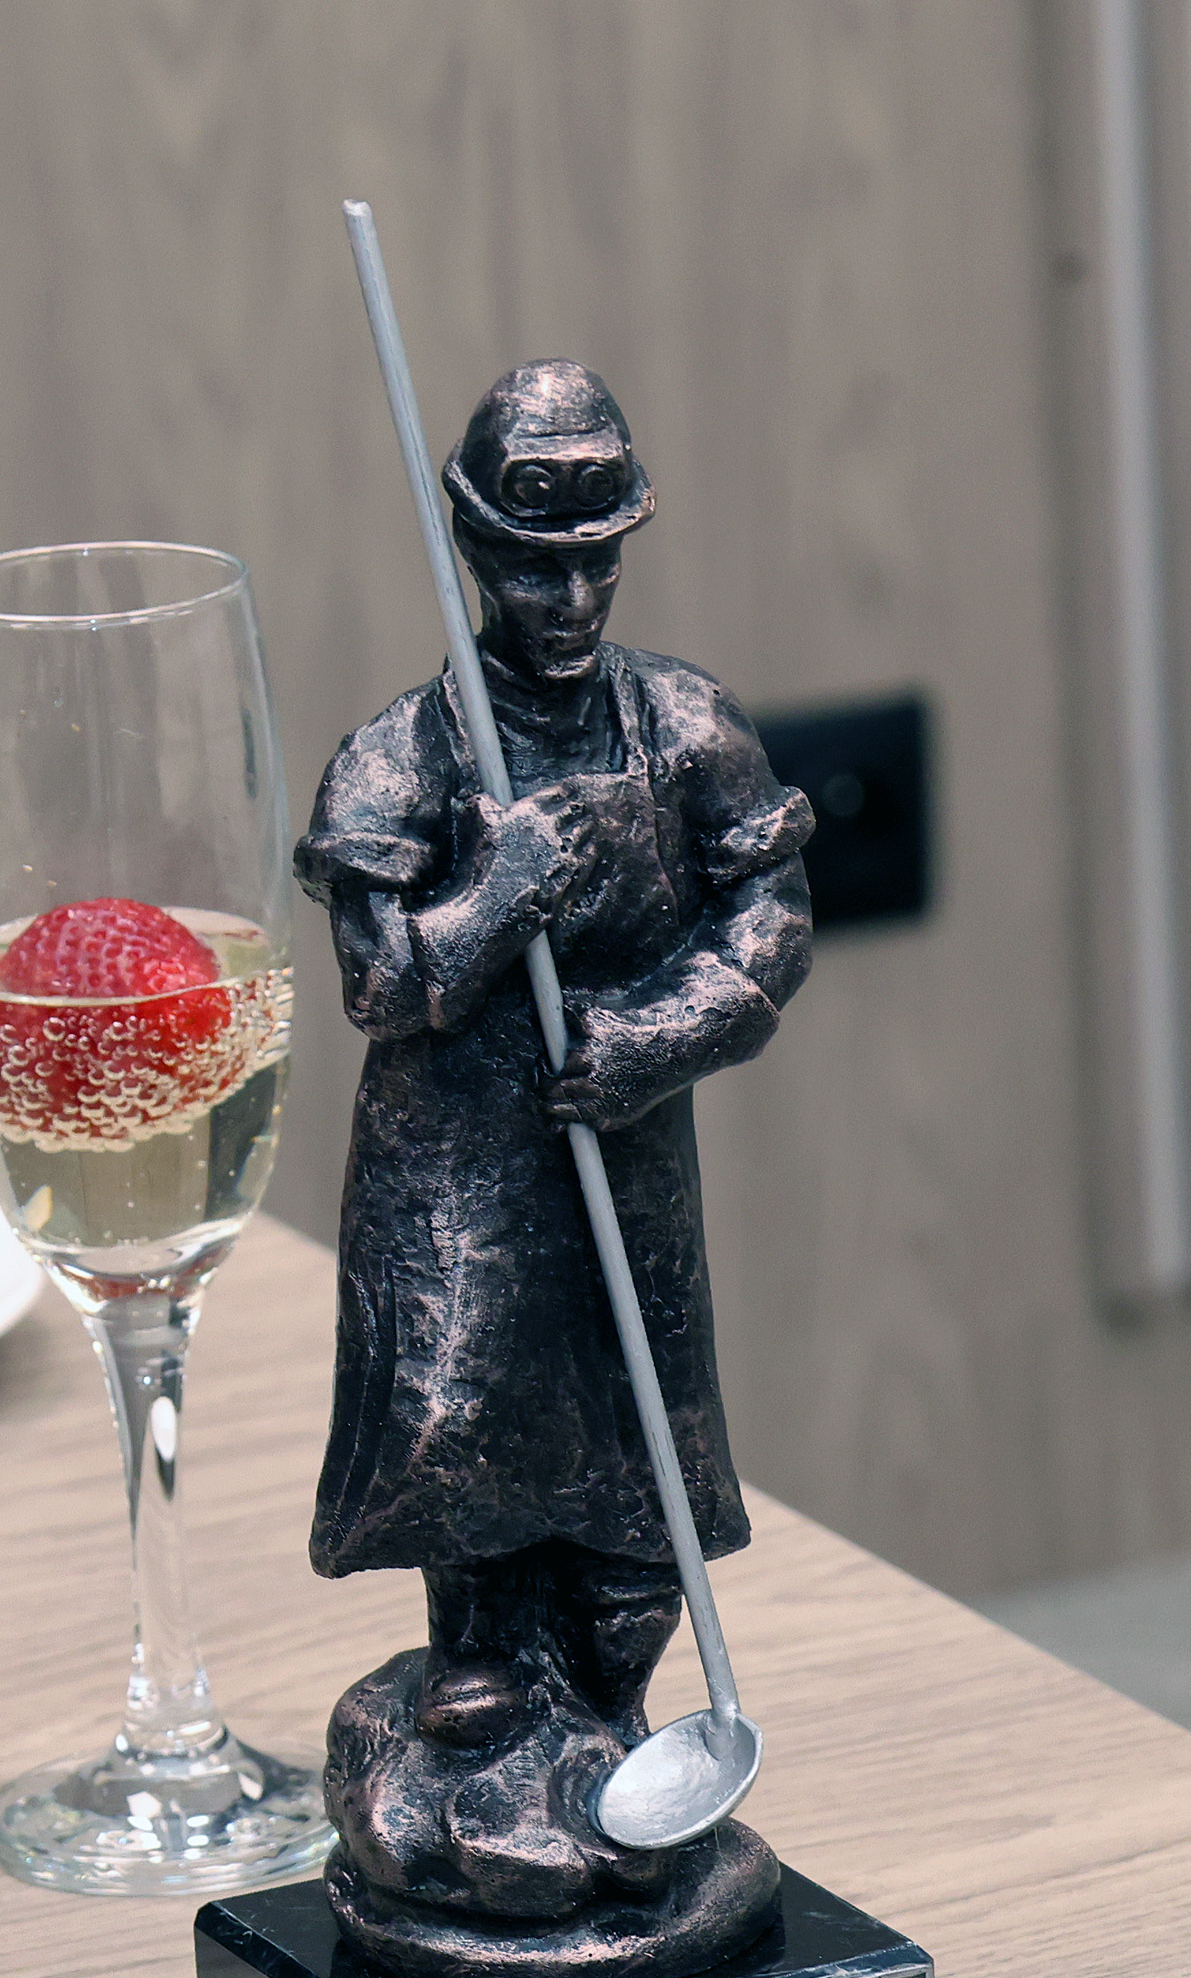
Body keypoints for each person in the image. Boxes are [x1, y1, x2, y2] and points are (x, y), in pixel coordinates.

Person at [297, 361, 814, 1777]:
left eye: (595, 567)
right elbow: (378, 983)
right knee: (467, 1406)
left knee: (635, 1427)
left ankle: (610, 1688)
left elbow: (769, 921)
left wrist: (657, 1035)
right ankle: (475, 1663)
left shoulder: (688, 725)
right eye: (536, 569)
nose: (572, 601)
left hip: (622, 1153)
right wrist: (493, 896)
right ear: (475, 554)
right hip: (454, 1169)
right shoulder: (400, 757)